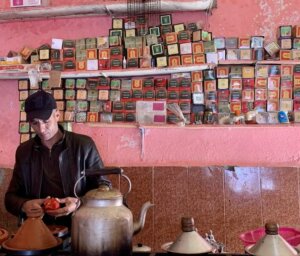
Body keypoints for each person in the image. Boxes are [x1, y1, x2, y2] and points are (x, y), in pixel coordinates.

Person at [5, 90, 106, 229]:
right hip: (38, 229)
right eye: (35, 123)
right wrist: (23, 205)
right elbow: (10, 198)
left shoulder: (84, 145)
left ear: (57, 115)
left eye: (46, 121)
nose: (41, 129)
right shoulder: (24, 151)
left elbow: (104, 189)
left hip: (80, 228)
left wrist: (80, 203)